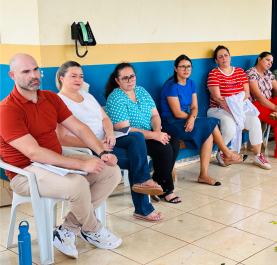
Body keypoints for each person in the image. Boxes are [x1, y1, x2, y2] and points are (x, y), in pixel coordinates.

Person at [0, 54, 122, 259]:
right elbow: (33, 152)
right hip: (25, 172)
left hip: (55, 162)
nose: (33, 75)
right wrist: (80, 165)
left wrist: (102, 153)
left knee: (110, 171)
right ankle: (92, 229)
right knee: (77, 184)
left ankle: (67, 229)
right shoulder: (7, 109)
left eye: (35, 70)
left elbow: (80, 128)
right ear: (12, 75)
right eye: (26, 71)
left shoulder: (51, 98)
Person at [55, 61, 164, 222]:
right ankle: (143, 203)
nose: (78, 79)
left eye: (81, 76)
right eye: (73, 76)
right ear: (62, 78)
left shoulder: (86, 96)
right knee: (137, 159)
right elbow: (62, 139)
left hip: (108, 140)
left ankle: (143, 184)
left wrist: (110, 133)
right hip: (88, 148)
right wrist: (95, 143)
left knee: (137, 137)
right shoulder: (59, 102)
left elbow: (105, 118)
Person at [161, 55, 245, 185]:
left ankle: (203, 175)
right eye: (182, 66)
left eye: (188, 66)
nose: (186, 69)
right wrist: (191, 118)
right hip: (171, 122)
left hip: (186, 118)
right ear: (175, 69)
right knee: (210, 123)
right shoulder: (171, 86)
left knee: (208, 134)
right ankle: (227, 153)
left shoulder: (191, 83)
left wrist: (192, 118)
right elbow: (177, 113)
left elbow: (194, 107)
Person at [105, 63, 181, 203]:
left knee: (174, 142)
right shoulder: (115, 98)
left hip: (150, 132)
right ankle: (167, 189)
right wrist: (155, 136)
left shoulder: (141, 91)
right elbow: (124, 129)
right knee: (163, 148)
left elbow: (155, 116)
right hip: (132, 138)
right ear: (117, 80)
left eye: (132, 76)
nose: (130, 81)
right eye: (125, 78)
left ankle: (157, 181)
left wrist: (157, 132)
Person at [206, 45, 269, 169]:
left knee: (255, 120)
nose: (224, 58)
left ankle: (258, 156)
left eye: (226, 55)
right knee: (230, 126)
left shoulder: (239, 71)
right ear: (216, 61)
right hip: (218, 110)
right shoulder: (214, 74)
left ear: (230, 57)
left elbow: (246, 93)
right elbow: (217, 99)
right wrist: (233, 112)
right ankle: (222, 153)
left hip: (239, 108)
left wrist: (236, 109)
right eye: (220, 56)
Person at [246, 52, 277, 159]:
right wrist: (275, 108)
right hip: (257, 105)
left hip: (270, 102)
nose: (270, 63)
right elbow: (257, 95)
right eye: (267, 60)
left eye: (272, 62)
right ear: (259, 59)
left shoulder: (268, 73)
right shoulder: (251, 73)